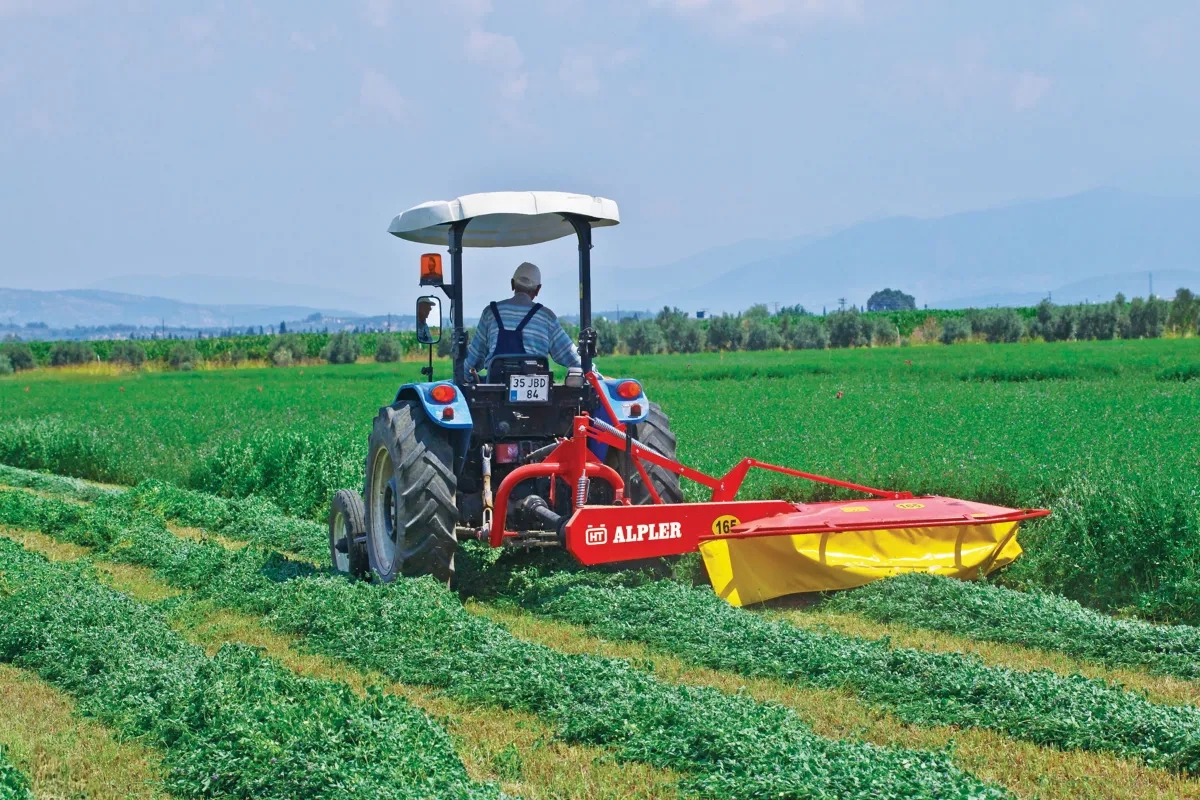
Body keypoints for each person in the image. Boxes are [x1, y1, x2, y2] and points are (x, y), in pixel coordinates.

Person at [465, 262, 581, 375]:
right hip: (538, 386)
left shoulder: (490, 313)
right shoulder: (546, 317)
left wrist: (463, 376)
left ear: (512, 284)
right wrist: (589, 371)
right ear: (538, 289)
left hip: (496, 386)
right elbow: (570, 356)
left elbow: (473, 358)